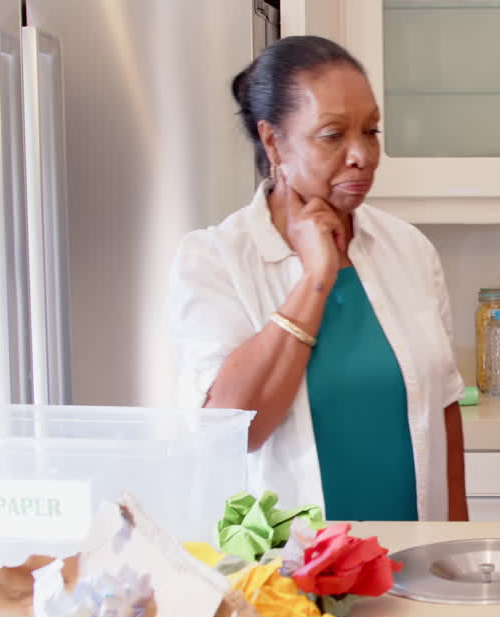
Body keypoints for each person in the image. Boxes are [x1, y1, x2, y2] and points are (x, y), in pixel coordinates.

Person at [169, 36, 469, 521]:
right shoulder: (213, 259)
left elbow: (444, 409)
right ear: (273, 141)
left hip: (414, 563)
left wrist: (454, 550)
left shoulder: (409, 249)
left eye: (371, 131)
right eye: (333, 135)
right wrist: (316, 276)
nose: (362, 155)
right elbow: (232, 432)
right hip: (293, 576)